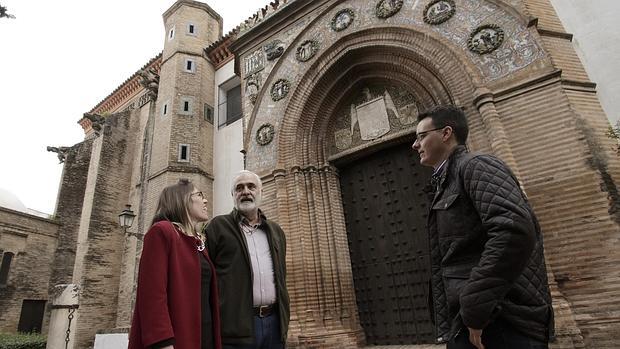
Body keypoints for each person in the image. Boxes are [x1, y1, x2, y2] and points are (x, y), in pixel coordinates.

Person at [411, 106, 554, 349]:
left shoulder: (477, 166)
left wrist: (475, 306)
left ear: (446, 133)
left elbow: (513, 231)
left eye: (421, 136)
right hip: (475, 320)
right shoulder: (446, 181)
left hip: (501, 321)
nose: (415, 145)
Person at [128, 179, 221, 349]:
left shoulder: (197, 243)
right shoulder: (162, 232)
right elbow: (152, 294)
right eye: (199, 195)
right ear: (182, 199)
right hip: (175, 340)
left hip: (204, 337)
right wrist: (162, 342)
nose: (205, 200)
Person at [205, 170, 290, 349]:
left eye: (251, 186)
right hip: (236, 329)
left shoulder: (276, 231)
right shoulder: (218, 227)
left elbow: (281, 277)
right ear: (233, 195)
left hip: (274, 324)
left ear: (260, 191)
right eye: (239, 188)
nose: (245, 191)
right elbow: (205, 279)